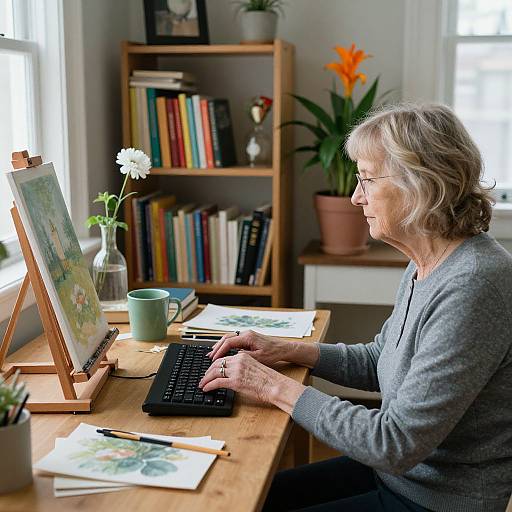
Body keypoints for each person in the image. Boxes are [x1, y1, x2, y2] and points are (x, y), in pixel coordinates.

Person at [199, 103, 512, 512]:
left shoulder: (473, 283)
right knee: (243, 498)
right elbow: (381, 359)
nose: (354, 196)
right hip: (400, 476)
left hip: (436, 499)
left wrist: (272, 385)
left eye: (366, 179)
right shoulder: (428, 261)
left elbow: (394, 443)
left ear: (419, 184)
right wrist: (286, 351)